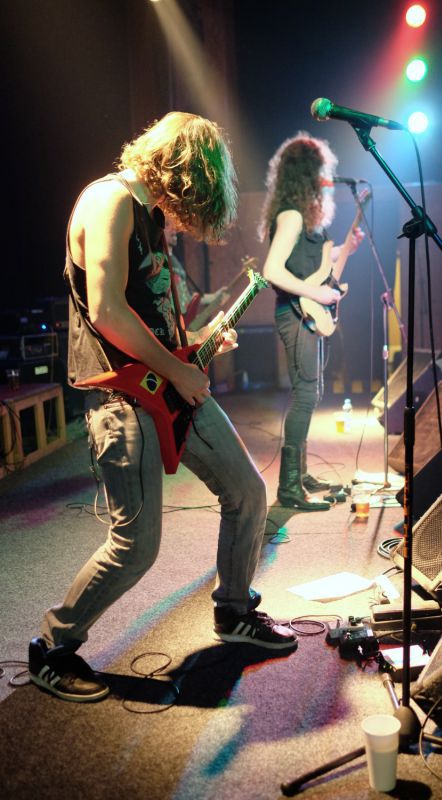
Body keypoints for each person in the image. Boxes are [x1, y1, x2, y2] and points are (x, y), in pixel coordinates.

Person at [28, 112, 297, 703]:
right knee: (136, 545)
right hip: (122, 397)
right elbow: (106, 311)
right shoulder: (109, 200)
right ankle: (52, 647)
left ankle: (234, 611)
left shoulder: (149, 217)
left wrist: (197, 344)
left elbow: (149, 322)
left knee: (248, 492)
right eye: (195, 195)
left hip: (167, 389)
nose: (188, 215)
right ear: (182, 173)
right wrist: (177, 369)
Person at [258, 132, 364, 511]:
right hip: (294, 313)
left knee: (312, 392)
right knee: (305, 394)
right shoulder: (290, 216)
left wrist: (346, 250)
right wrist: (317, 295)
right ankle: (289, 487)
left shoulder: (307, 221)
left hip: (308, 313)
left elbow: (318, 269)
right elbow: (272, 270)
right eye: (321, 170)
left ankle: (299, 475)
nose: (326, 177)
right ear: (307, 174)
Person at [164, 220, 230, 331]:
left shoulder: (176, 261)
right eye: (167, 225)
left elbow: (187, 296)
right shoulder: (157, 259)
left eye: (174, 225)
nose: (174, 228)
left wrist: (214, 297)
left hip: (181, 326)